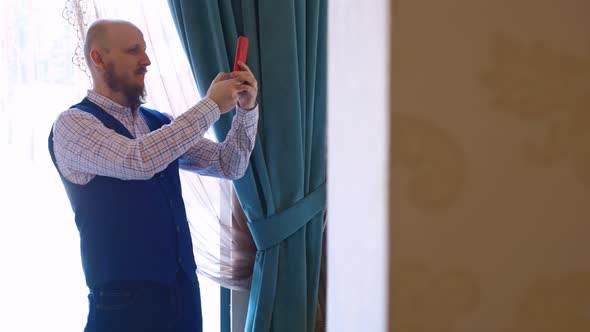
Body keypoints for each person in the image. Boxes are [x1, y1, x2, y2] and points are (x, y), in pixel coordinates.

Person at [48, 19, 258, 332]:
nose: (146, 60)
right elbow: (139, 159)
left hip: (183, 299)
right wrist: (212, 105)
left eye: (145, 50)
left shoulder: (158, 123)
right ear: (98, 58)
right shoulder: (73, 125)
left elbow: (228, 164)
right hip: (124, 308)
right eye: (134, 51)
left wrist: (246, 109)